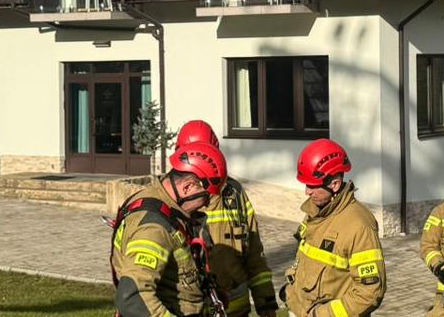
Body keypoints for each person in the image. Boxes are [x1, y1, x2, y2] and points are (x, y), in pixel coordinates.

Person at [111, 140, 231, 317]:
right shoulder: (153, 227)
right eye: (206, 198)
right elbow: (133, 296)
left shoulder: (165, 205)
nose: (205, 205)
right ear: (188, 186)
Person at [176, 121, 278, 317]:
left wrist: (266, 304)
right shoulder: (173, 199)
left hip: (237, 310)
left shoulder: (234, 193)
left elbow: (254, 253)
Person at [281, 138, 385, 317]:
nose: (307, 192)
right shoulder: (316, 213)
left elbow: (369, 293)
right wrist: (290, 292)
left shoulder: (359, 226)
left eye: (312, 186)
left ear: (335, 184)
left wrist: (322, 314)